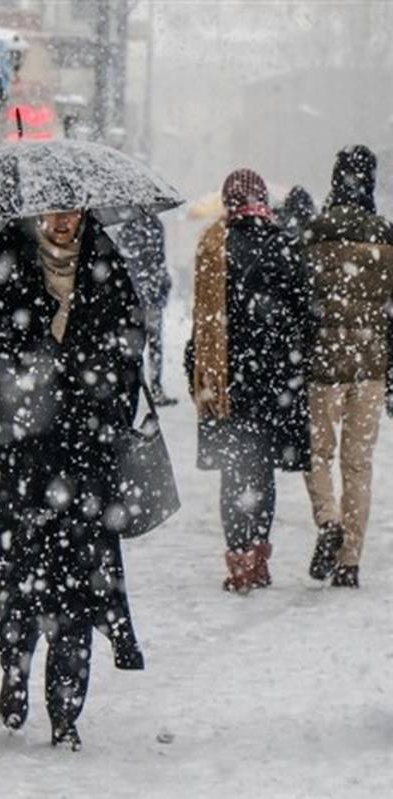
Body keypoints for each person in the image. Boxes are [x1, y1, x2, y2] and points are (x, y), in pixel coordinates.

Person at [0, 209, 146, 751]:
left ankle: (66, 709)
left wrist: (103, 401)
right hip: (20, 459)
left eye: (71, 212)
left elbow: (132, 343)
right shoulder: (6, 259)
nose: (62, 222)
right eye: (52, 212)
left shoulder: (105, 261)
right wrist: (6, 399)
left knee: (79, 583)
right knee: (20, 576)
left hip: (84, 456)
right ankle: (15, 668)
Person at [186, 168, 313, 593]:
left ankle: (238, 558)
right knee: (262, 473)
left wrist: (198, 370)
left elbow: (202, 324)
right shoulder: (286, 245)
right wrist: (295, 364)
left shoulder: (213, 246)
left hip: (229, 381)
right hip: (276, 381)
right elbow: (306, 316)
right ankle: (258, 555)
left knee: (234, 471)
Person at [301, 146, 393, 588]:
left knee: (317, 452)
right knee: (358, 463)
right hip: (371, 363)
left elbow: (301, 302)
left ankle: (328, 520)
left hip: (323, 364)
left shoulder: (315, 233)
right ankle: (350, 559)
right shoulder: (385, 236)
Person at [117, 211, 177, 405]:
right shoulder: (153, 225)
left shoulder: (125, 227)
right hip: (147, 294)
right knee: (153, 344)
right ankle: (152, 389)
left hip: (137, 294)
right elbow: (159, 262)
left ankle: (133, 389)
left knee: (137, 345)